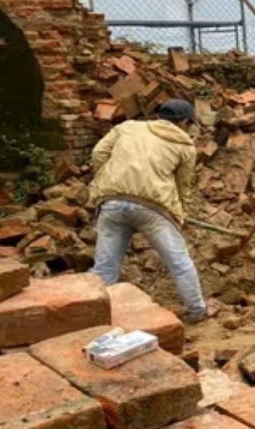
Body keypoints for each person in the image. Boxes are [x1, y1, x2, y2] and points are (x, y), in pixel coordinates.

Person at [88, 99, 220, 322]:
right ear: (185, 122)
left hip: (111, 203)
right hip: (153, 208)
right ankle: (197, 310)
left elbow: (98, 154)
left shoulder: (127, 127)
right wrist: (180, 213)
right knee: (178, 262)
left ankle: (92, 316)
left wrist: (107, 181)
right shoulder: (185, 146)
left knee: (104, 268)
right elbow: (182, 186)